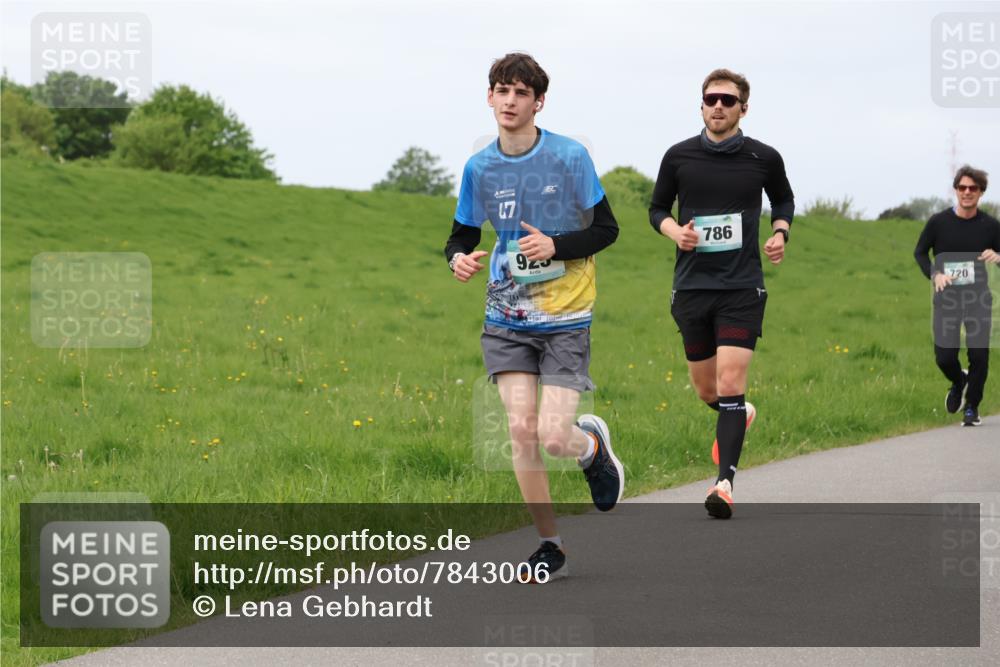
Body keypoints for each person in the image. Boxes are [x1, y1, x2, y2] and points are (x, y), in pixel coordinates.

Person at [444, 53, 624, 580]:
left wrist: (556, 246)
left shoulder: (569, 157)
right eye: (501, 90)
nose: (510, 100)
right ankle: (551, 545)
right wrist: (457, 258)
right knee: (521, 431)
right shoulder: (480, 167)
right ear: (489, 97)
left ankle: (590, 447)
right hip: (505, 317)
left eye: (521, 92)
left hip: (566, 318)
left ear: (538, 102)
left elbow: (607, 230)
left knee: (552, 435)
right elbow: (461, 234)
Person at [648, 68, 794, 519]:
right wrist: (675, 232)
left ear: (742, 109)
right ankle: (738, 412)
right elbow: (657, 208)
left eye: (727, 100)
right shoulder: (678, 156)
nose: (718, 106)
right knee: (706, 389)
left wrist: (780, 232)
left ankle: (723, 484)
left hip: (741, 286)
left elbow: (783, 199)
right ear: (701, 105)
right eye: (711, 98)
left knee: (731, 383)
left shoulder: (763, 157)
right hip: (692, 286)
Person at [914, 165, 1000, 427]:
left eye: (973, 188)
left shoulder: (990, 226)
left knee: (979, 356)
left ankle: (972, 407)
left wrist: (998, 257)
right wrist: (935, 274)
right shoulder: (938, 222)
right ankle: (958, 380)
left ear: (981, 192)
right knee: (944, 357)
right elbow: (920, 252)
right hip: (947, 300)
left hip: (978, 300)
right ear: (956, 190)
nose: (967, 192)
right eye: (962, 187)